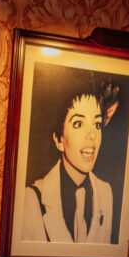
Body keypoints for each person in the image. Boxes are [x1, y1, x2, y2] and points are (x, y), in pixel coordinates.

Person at [22, 72, 117, 244]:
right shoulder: (31, 199)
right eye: (78, 124)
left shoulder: (106, 193)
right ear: (59, 140)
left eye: (96, 124)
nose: (92, 136)